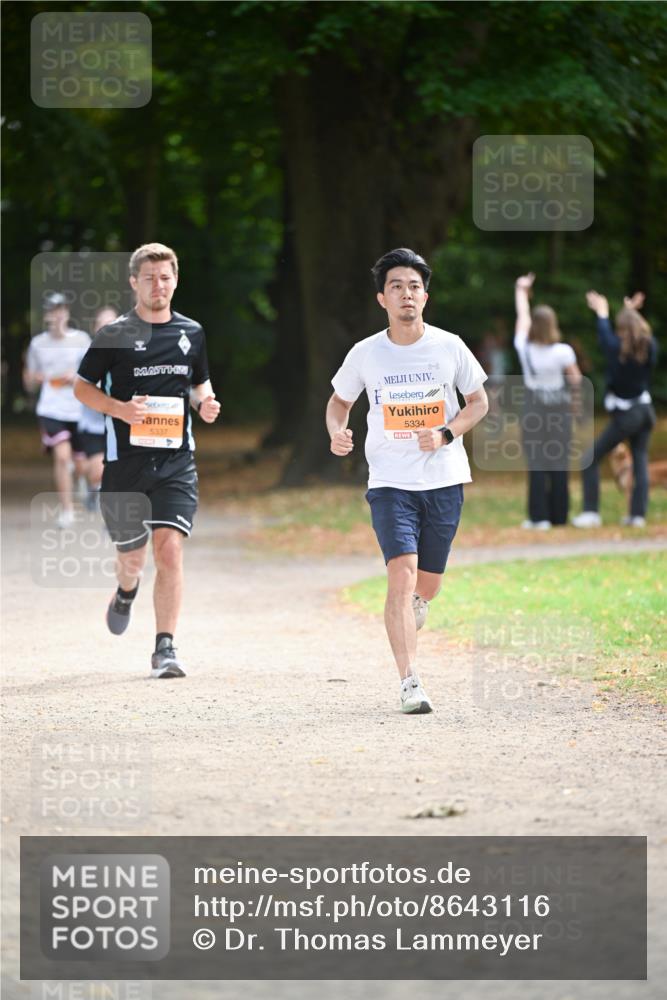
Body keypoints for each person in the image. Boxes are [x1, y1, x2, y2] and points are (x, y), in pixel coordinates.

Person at [327, 248, 488, 715]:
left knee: (427, 585)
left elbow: (478, 403)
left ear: (426, 296)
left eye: (414, 287)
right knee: (401, 575)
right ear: (382, 298)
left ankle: (417, 605)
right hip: (390, 481)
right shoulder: (366, 353)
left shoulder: (449, 346)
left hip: (444, 479)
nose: (406, 294)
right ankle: (410, 680)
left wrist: (445, 432)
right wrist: (338, 431)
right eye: (396, 286)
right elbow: (339, 402)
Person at [74, 242, 221, 679]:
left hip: (176, 462)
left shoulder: (192, 332)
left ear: (175, 281)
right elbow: (82, 388)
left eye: (165, 277)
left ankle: (165, 648)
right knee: (133, 557)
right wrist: (119, 409)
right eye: (149, 277)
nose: (158, 285)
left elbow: (199, 384)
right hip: (124, 465)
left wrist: (206, 404)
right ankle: (126, 588)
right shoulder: (114, 335)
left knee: (169, 550)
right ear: (134, 282)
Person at [572, 290, 657, 528]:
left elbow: (604, 333)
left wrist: (602, 312)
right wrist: (631, 311)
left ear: (621, 330)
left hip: (628, 415)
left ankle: (591, 512)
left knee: (590, 457)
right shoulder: (650, 347)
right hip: (646, 410)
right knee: (640, 461)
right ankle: (637, 516)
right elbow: (638, 332)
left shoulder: (616, 349)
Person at [513, 273, 582, 529]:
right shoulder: (563, 351)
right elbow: (576, 381)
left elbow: (522, 317)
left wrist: (521, 290)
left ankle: (538, 517)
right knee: (559, 461)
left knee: (536, 462)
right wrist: (575, 405)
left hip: (533, 407)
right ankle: (560, 516)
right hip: (559, 409)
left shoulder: (524, 347)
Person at [23, 292, 91, 527]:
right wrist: (35, 378)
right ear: (47, 315)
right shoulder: (38, 344)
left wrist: (76, 377)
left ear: (67, 313)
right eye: (53, 311)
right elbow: (28, 380)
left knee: (82, 464)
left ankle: (81, 477)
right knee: (62, 457)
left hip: (79, 408)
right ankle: (67, 510)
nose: (57, 314)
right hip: (50, 408)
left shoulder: (82, 340)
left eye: (61, 309)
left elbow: (94, 372)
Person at [77, 305, 119, 510]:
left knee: (115, 472)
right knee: (96, 471)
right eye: (102, 325)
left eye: (112, 324)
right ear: (95, 328)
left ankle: (108, 507)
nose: (107, 329)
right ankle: (93, 486)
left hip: (120, 424)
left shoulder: (129, 356)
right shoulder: (86, 356)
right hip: (93, 425)